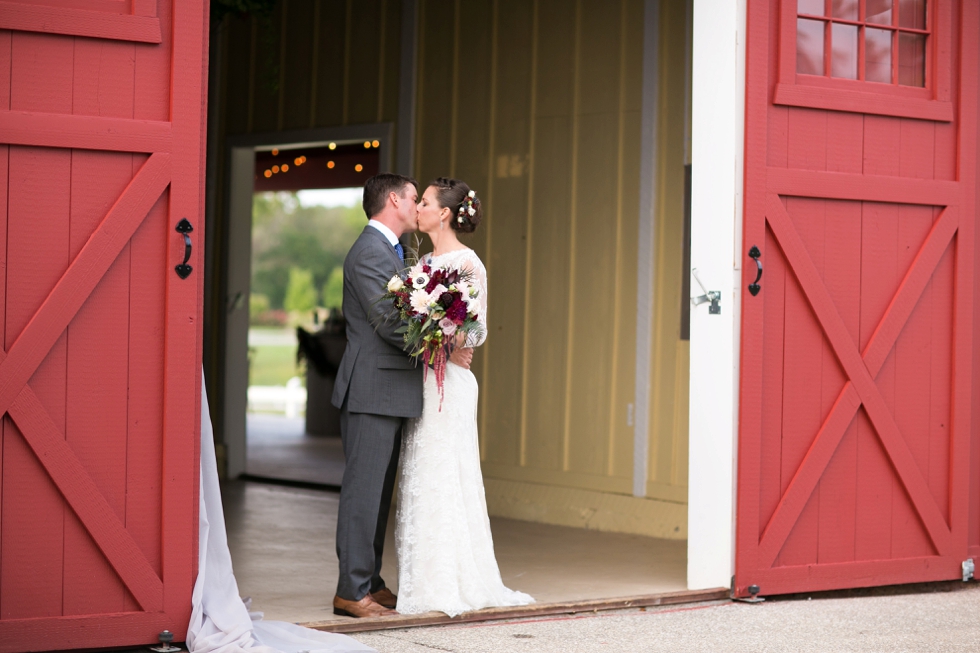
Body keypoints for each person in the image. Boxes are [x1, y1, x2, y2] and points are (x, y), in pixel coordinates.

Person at [330, 173, 473, 619]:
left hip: (389, 389)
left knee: (377, 494)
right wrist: (447, 345)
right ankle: (351, 592)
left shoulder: (392, 251)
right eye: (414, 198)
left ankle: (370, 581)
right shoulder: (370, 252)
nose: (418, 205)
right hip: (372, 389)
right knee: (363, 493)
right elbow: (391, 324)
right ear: (394, 200)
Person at [394, 177, 534, 616]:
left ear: (445, 214)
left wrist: (445, 339)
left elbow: (478, 329)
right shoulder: (423, 262)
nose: (418, 208)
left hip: (449, 382)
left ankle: (454, 580)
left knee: (447, 473)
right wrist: (425, 331)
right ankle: (423, 581)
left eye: (427, 202)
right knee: (421, 473)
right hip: (419, 379)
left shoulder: (469, 263)